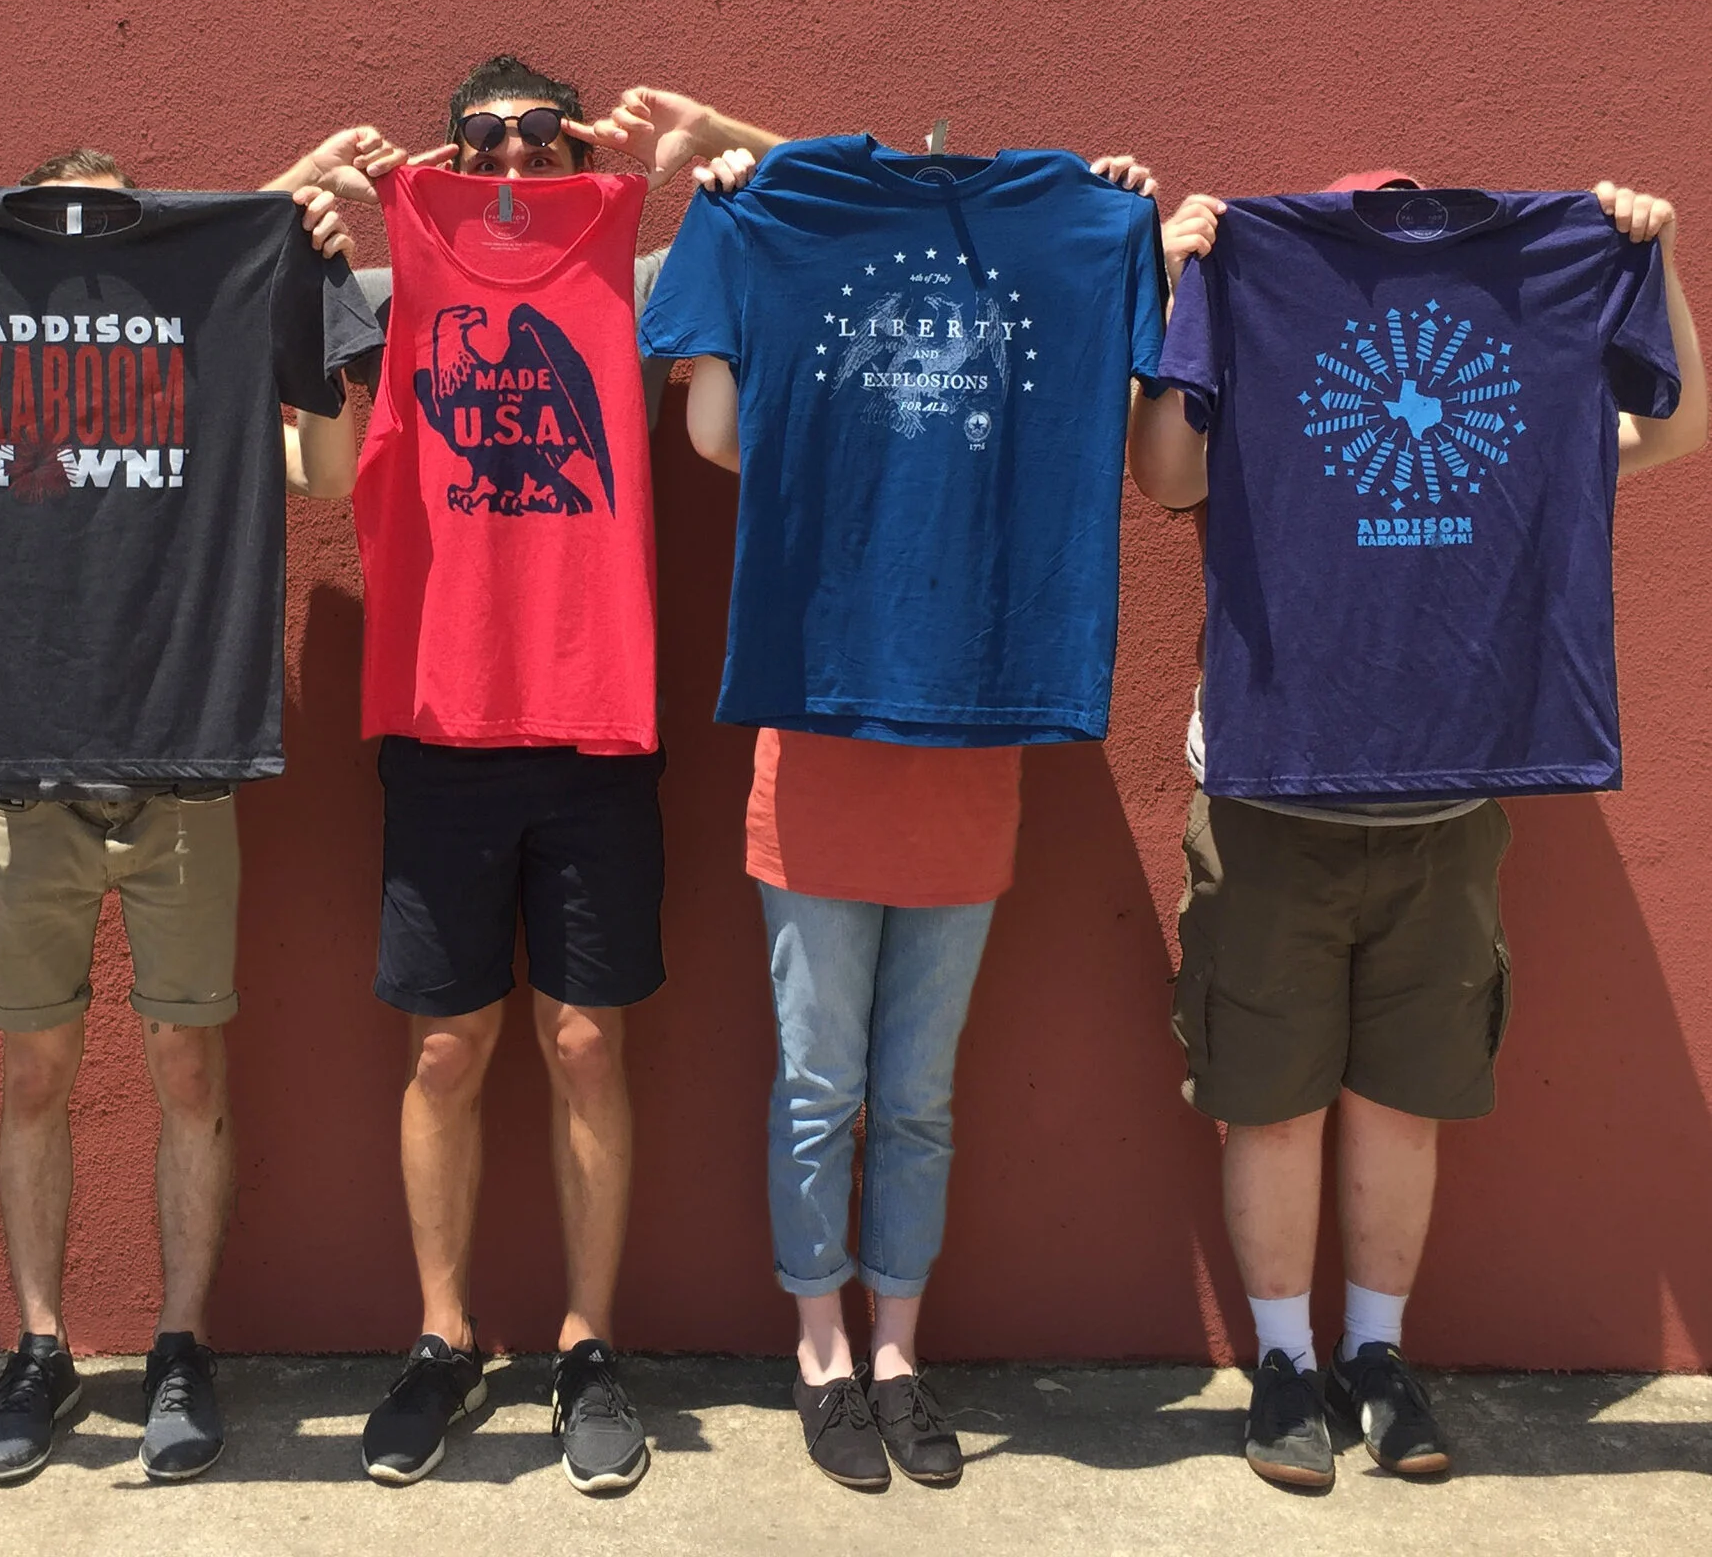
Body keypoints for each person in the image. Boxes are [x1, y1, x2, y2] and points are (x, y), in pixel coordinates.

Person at [1127, 175, 1702, 1488]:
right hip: (1270, 794)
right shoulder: (1255, 294)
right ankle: (1281, 1365)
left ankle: (1375, 1360)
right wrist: (1189, 290)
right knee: (1268, 1105)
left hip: (1448, 802)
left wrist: (1651, 257)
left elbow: (1672, 428)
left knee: (1404, 1099)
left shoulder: (1530, 315)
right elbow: (1164, 471)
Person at [0, 148, 364, 1484]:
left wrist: (320, 274)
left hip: (183, 759)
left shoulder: (214, 308)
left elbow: (329, 471)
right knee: (36, 1072)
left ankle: (180, 1345)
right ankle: (43, 1350)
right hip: (23, 758)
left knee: (186, 1071)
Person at [260, 58, 775, 1494]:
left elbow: (841, 207)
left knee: (588, 1043)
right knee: (444, 1045)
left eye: (539, 134)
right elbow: (187, 301)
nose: (508, 156)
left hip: (594, 713)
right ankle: (442, 1340)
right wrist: (295, 197)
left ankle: (588, 1346)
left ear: (572, 149)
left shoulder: (641, 264)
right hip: (439, 715)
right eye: (479, 136)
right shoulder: (381, 280)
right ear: (445, 154)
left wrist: (718, 143)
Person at [679, 145, 1162, 1490]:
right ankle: (819, 1350)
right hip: (819, 738)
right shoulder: (791, 216)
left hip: (967, 739)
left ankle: (899, 1350)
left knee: (921, 1095)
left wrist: (1125, 220)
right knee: (822, 1086)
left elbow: (1135, 411)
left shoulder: (1064, 229)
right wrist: (732, 209)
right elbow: (719, 434)